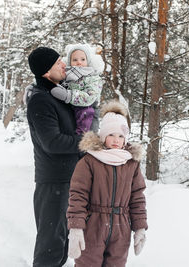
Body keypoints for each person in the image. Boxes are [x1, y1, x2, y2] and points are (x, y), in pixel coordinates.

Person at [66, 101, 148, 266]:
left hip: (121, 228)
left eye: (121, 136)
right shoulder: (89, 161)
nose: (116, 140)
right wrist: (76, 228)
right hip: (93, 226)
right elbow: (78, 195)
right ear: (103, 136)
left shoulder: (131, 163)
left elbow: (137, 197)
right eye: (111, 135)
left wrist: (139, 227)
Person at [26, 47, 81, 267]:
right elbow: (53, 142)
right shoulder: (41, 100)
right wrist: (87, 142)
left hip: (68, 179)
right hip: (53, 182)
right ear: (46, 72)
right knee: (50, 246)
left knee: (62, 245)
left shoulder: (57, 96)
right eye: (58, 62)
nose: (64, 64)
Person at [50, 43, 103, 135]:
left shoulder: (92, 77)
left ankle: (81, 141)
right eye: (75, 59)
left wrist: (69, 95)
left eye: (83, 59)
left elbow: (90, 97)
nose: (79, 62)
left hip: (87, 109)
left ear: (88, 61)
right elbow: (51, 78)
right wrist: (35, 86)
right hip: (71, 108)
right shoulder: (66, 74)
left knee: (84, 128)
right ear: (69, 62)